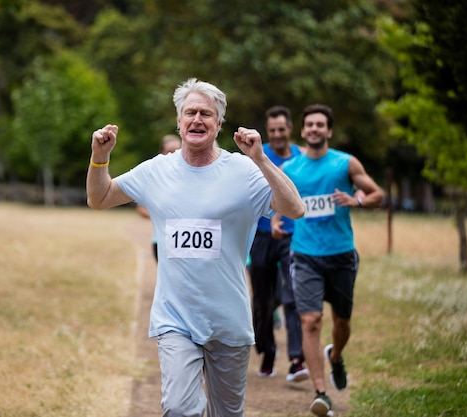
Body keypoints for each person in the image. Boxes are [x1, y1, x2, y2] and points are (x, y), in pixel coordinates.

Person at [86, 78, 305, 417]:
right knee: (179, 409)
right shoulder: (158, 170)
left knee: (227, 413)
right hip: (176, 319)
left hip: (228, 321)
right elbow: (99, 198)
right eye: (190, 112)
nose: (197, 119)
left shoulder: (243, 170)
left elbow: (295, 208)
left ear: (219, 124)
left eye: (206, 113)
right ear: (178, 121)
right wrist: (100, 159)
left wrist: (261, 159)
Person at [275, 104, 384, 417]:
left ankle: (335, 355)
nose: (314, 129)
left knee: (342, 322)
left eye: (320, 124)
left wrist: (357, 200)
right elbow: (281, 201)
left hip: (341, 255)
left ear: (329, 130)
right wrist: (280, 220)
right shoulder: (290, 169)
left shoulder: (345, 163)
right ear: (303, 130)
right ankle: (321, 393)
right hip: (305, 255)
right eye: (309, 124)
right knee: (310, 320)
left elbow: (377, 194)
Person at [248, 105, 309, 382]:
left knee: (293, 296)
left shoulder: (301, 158)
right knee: (262, 300)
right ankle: (267, 351)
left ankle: (297, 358)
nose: (276, 134)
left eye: (281, 129)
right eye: (271, 130)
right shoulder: (256, 158)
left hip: (292, 236)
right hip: (260, 236)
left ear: (290, 130)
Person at [136, 134, 182, 261]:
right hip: (161, 241)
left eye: (178, 150)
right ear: (162, 153)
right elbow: (140, 208)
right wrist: (161, 215)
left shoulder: (192, 175)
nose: (174, 154)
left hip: (186, 243)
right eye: (169, 151)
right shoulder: (155, 178)